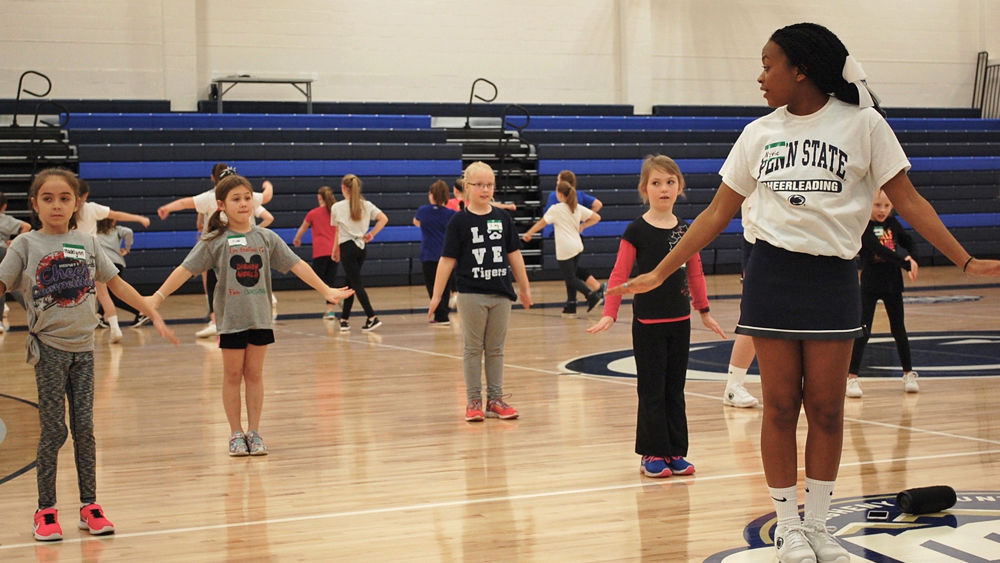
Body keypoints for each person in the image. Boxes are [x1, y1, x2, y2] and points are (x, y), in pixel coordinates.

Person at [606, 22, 1000, 563]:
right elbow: (718, 212)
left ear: (802, 69)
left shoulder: (864, 126)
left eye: (769, 65)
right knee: (779, 406)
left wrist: (965, 259)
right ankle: (788, 527)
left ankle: (819, 526)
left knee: (828, 409)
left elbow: (908, 200)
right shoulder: (757, 133)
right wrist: (662, 271)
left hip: (834, 277)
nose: (760, 76)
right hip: (771, 274)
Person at [0, 168, 177, 542]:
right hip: (48, 349)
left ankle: (89, 506)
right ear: (34, 204)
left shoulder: (87, 242)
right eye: (47, 199)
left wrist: (151, 309)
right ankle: (45, 510)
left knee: (85, 429)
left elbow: (115, 283)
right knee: (53, 430)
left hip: (85, 351)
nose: (56, 205)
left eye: (64, 198)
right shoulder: (25, 246)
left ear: (77, 203)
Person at [150, 173, 352, 456]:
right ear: (221, 205)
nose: (243, 204)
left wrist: (325, 289)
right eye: (236, 199)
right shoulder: (214, 240)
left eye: (247, 198)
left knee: (254, 375)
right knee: (232, 375)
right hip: (231, 320)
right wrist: (157, 298)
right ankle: (235, 433)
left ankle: (254, 432)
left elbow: (297, 265)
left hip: (260, 318)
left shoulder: (266, 237)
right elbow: (184, 269)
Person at [587, 155, 726, 477]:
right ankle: (652, 452)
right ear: (644, 189)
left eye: (670, 182)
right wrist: (610, 313)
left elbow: (695, 273)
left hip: (680, 323)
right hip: (648, 324)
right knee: (652, 389)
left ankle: (676, 451)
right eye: (656, 182)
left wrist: (703, 311)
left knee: (675, 388)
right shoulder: (635, 230)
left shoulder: (686, 230)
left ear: (679, 187)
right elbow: (620, 272)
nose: (663, 188)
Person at [428, 161, 533, 421]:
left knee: (496, 349)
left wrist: (525, 287)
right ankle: (473, 401)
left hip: (501, 293)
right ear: (467, 187)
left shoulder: (503, 218)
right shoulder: (459, 222)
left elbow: (515, 255)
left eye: (490, 185)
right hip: (471, 294)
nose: (485, 189)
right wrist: (437, 296)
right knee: (473, 349)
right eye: (479, 185)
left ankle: (495, 400)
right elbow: (446, 261)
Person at [157, 164, 275, 338]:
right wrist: (268, 185)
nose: (242, 203)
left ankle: (216, 320)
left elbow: (184, 203)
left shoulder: (210, 197)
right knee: (242, 284)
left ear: (214, 179)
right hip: (242, 250)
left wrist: (167, 208)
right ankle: (237, 321)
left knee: (214, 284)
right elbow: (266, 197)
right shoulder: (242, 197)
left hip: (221, 249)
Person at [846, 189, 920, 398]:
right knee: (864, 330)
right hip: (870, 284)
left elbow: (909, 241)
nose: (882, 210)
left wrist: (913, 257)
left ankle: (908, 373)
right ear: (868, 205)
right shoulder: (864, 227)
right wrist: (904, 262)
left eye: (886, 206)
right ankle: (852, 378)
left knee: (899, 329)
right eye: (878, 205)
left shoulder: (893, 224)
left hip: (893, 284)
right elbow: (879, 250)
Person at [76, 179, 151, 343]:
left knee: (78, 295)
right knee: (103, 295)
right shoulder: (92, 208)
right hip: (94, 253)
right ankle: (115, 328)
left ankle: (79, 331)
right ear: (86, 195)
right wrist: (139, 218)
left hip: (73, 254)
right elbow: (116, 214)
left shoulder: (66, 211)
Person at [522, 180, 603, 317]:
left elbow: (542, 223)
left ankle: (591, 296)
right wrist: (582, 227)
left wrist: (529, 233)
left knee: (570, 278)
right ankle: (571, 306)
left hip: (565, 248)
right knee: (571, 276)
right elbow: (596, 217)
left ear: (559, 194)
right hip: (577, 246)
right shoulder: (576, 207)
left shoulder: (556, 209)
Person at [330, 173, 388, 332]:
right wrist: (371, 234)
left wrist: (335, 250)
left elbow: (337, 231)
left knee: (355, 284)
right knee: (350, 283)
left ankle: (372, 316)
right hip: (361, 248)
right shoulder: (367, 205)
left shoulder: (337, 207)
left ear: (343, 187)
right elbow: (384, 219)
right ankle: (344, 319)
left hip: (347, 247)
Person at [544, 170, 605, 294]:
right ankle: (597, 288)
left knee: (570, 274)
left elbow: (546, 218)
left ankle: (578, 300)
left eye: (558, 180)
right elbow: (598, 205)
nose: (556, 182)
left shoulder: (554, 196)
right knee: (573, 271)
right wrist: (582, 223)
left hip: (564, 239)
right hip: (577, 238)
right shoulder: (579, 195)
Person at [414, 179, 457, 324]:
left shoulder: (423, 211)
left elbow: (416, 222)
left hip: (428, 254)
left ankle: (439, 314)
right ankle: (443, 314)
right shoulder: (451, 213)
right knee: (445, 285)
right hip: (445, 254)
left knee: (431, 285)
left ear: (431, 195)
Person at [293, 185, 339, 319]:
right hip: (334, 250)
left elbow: (303, 228)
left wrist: (297, 239)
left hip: (320, 251)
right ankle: (332, 306)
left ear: (319, 198)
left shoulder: (313, 213)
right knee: (330, 280)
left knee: (317, 279)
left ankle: (331, 306)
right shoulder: (335, 212)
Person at [95, 218, 146, 327]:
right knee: (109, 294)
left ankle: (141, 312)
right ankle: (99, 315)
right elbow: (129, 232)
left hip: (103, 264)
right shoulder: (117, 230)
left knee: (110, 295)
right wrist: (127, 248)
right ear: (113, 222)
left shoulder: (95, 231)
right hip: (117, 264)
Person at [0, 192, 31, 332]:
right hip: (4, 252)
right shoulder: (4, 219)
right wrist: (15, 241)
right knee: (12, 285)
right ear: (4, 206)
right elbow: (27, 226)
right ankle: (35, 311)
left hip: (3, 253)